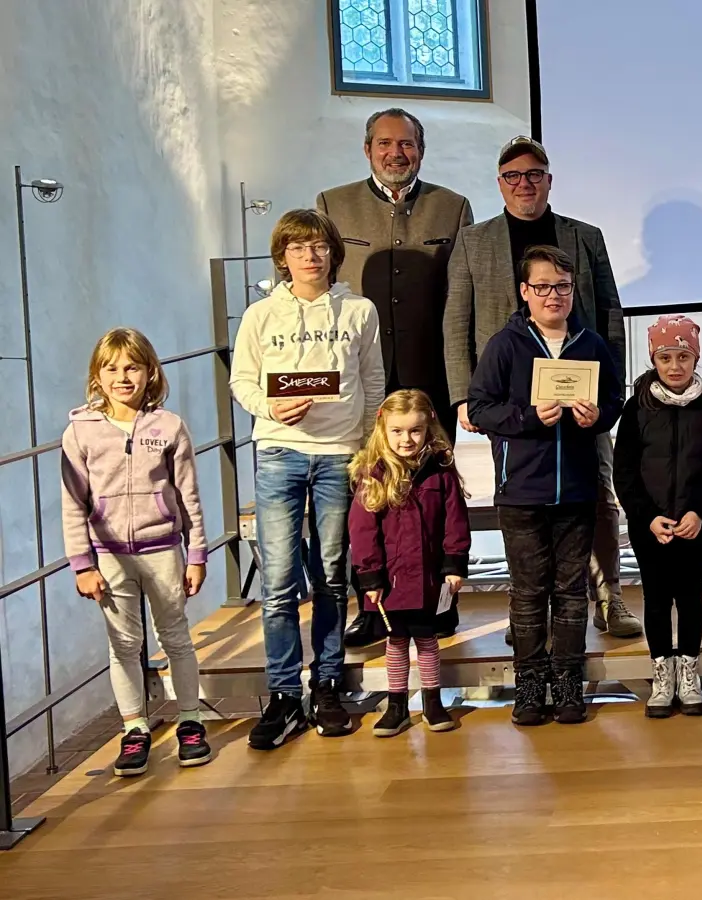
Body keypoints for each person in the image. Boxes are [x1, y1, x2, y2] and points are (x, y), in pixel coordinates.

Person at [442, 136, 639, 639]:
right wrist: (465, 395)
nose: (524, 183)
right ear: (500, 183)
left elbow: (610, 313)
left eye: (534, 174)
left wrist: (609, 392)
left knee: (597, 492)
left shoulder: (585, 236)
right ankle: (526, 607)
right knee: (520, 500)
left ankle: (608, 598)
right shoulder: (474, 240)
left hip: (583, 394)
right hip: (510, 399)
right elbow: (456, 318)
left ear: (549, 180)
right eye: (513, 176)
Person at [318, 109, 474, 646]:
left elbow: (462, 303)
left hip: (430, 378)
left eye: (405, 144)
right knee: (370, 500)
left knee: (434, 500)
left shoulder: (451, 209)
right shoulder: (333, 206)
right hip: (362, 382)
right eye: (384, 144)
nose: (395, 153)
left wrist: (461, 390)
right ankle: (372, 607)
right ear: (367, 150)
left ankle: (441, 602)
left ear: (421, 150)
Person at [230, 209, 384, 749]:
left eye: (319, 246)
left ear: (333, 253)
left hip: (340, 455)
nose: (310, 255)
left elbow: (372, 378)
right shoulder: (258, 316)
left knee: (332, 575)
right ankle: (282, 695)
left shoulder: (360, 311)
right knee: (277, 583)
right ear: (283, 257)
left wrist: (367, 450)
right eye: (298, 248)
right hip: (278, 453)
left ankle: (326, 683)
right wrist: (270, 407)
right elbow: (242, 380)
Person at [467, 244, 623, 727]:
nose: (553, 295)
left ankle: (569, 683)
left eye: (562, 286)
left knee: (572, 591)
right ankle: (530, 686)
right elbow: (479, 408)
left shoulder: (591, 344)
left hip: (576, 490)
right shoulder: (505, 345)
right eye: (542, 287)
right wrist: (528, 417)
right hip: (521, 492)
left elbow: (614, 399)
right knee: (529, 591)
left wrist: (600, 415)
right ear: (524, 292)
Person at [63, 328, 210, 775]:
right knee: (123, 644)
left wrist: (197, 552)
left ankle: (190, 719)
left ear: (150, 372)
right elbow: (73, 503)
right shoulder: (79, 432)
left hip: (163, 549)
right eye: (112, 369)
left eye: (132, 367)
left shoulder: (169, 427)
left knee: (176, 637)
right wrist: (82, 564)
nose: (123, 377)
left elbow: (188, 494)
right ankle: (134, 729)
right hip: (108, 557)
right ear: (97, 376)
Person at [614, 315, 702, 719]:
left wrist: (699, 510)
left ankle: (689, 670)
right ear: (653, 361)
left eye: (682, 356)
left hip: (694, 523)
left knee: (690, 597)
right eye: (665, 358)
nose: (674, 366)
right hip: (651, 526)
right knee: (656, 599)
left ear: (695, 358)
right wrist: (646, 518)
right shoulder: (637, 407)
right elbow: (623, 471)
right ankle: (662, 673)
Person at [347, 390, 471, 738]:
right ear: (383, 430)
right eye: (398, 431)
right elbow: (363, 530)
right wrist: (370, 577)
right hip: (391, 580)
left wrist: (454, 565)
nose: (406, 439)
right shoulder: (373, 474)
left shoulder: (441, 472)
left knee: (428, 640)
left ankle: (433, 701)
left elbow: (455, 522)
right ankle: (397, 704)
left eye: (415, 431)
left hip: (430, 576)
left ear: (428, 428)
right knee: (396, 641)